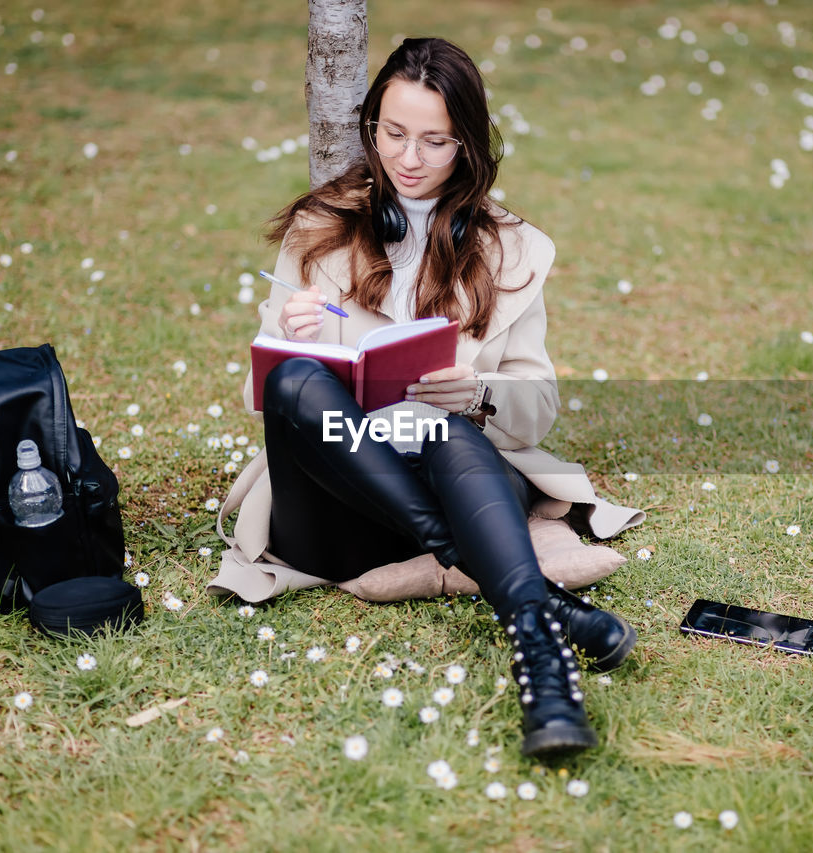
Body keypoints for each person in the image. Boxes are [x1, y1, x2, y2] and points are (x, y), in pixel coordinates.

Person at [224, 37, 644, 759]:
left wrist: (477, 391)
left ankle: (541, 667)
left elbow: (538, 403)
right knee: (297, 381)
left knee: (451, 433)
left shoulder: (510, 249)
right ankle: (536, 601)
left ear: (469, 147)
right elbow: (263, 398)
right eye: (392, 134)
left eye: (435, 140)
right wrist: (293, 342)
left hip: (459, 484)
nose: (409, 158)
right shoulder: (319, 228)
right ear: (371, 129)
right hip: (340, 504)